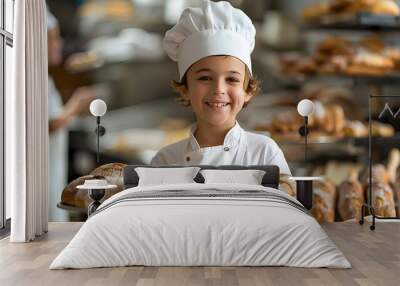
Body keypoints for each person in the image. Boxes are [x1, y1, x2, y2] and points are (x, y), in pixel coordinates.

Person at [151, 0, 291, 175]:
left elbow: (286, 201)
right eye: (205, 78)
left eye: (232, 79)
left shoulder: (264, 153)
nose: (218, 89)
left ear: (248, 90)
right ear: (185, 89)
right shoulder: (165, 161)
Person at [47, 10, 95, 221]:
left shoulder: (46, 79)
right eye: (54, 38)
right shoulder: (35, 80)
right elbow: (49, 124)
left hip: (53, 161)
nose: (60, 43)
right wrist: (76, 104)